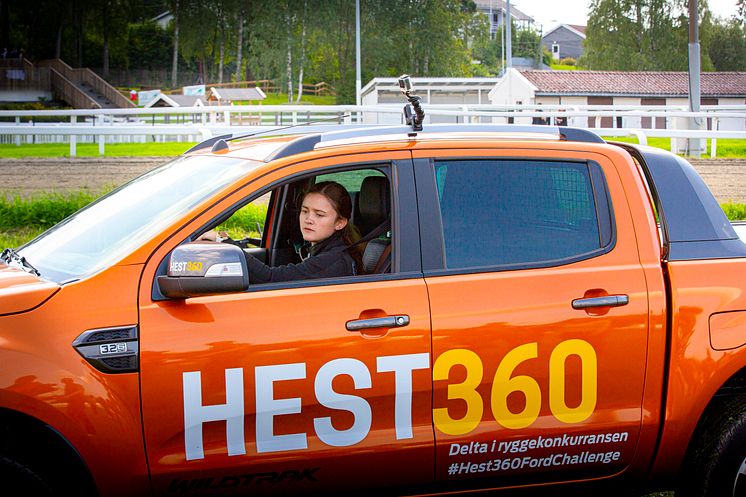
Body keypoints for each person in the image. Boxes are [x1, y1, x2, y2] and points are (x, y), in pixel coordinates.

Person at [201, 181, 363, 283]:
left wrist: (223, 241)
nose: (308, 219)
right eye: (305, 211)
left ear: (340, 223)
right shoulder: (334, 250)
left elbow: (269, 278)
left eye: (319, 215)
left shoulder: (330, 261)